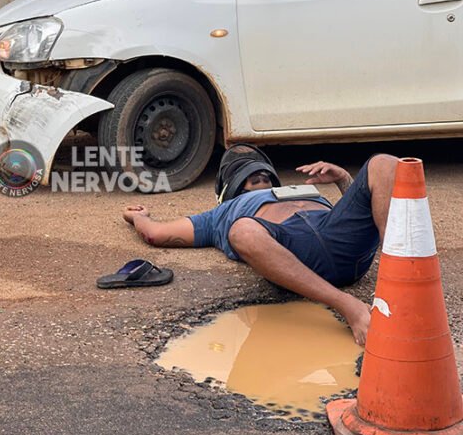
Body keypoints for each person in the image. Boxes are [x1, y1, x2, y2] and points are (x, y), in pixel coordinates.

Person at [122, 144, 399, 346]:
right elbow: (157, 234)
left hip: (340, 239)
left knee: (383, 162)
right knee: (242, 231)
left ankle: (400, 281)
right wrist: (138, 218)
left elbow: (362, 210)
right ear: (229, 189)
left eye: (264, 177)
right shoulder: (221, 213)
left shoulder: (300, 191)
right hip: (293, 252)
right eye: (250, 179)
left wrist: (342, 180)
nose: (260, 179)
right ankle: (349, 306)